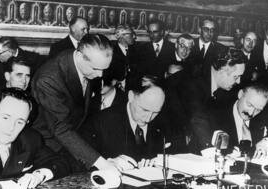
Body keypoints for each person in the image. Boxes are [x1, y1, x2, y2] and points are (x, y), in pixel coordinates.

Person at [32, 33, 132, 173]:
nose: (100, 75)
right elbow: (61, 129)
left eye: (104, 69)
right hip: (49, 147)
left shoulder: (84, 64)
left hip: (74, 140)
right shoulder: (48, 80)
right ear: (79, 56)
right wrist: (102, 163)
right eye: (96, 69)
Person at [0, 88, 69, 189]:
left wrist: (38, 175)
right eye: (5, 118)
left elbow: (60, 163)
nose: (11, 127)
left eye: (20, 122)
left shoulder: (30, 139)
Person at [82, 76, 172, 161]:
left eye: (156, 112)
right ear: (131, 96)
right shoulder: (100, 123)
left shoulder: (167, 123)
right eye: (144, 110)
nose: (148, 119)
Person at [189, 47, 247, 151]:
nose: (238, 82)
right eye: (236, 77)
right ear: (221, 72)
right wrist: (210, 152)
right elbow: (198, 119)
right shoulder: (195, 82)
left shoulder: (223, 89)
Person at [105, 24, 138, 91]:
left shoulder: (136, 51)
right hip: (114, 90)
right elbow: (105, 76)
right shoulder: (109, 51)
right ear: (121, 36)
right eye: (131, 34)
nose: (134, 36)